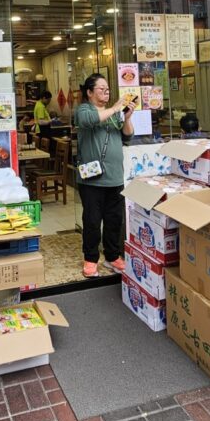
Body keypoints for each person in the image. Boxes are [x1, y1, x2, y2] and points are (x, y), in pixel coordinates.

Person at [74, 73, 135, 278]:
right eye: (101, 88)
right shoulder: (84, 110)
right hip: (92, 180)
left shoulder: (114, 114)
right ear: (89, 92)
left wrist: (126, 118)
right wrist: (116, 108)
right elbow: (90, 121)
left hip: (115, 177)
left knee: (114, 220)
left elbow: (127, 136)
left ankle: (112, 256)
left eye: (107, 88)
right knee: (92, 220)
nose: (106, 91)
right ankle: (90, 259)